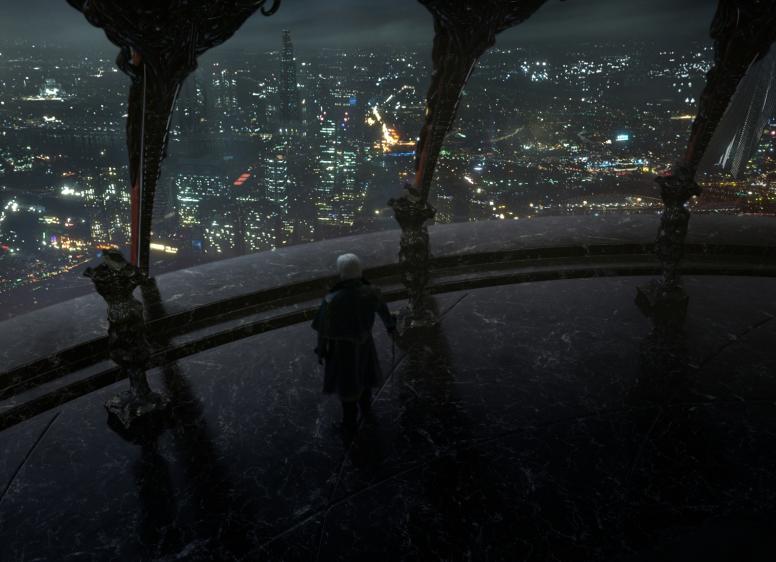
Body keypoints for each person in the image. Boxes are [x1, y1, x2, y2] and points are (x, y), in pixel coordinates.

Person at [312, 253, 397, 433]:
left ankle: (349, 422)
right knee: (365, 375)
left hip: (342, 349)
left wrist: (321, 349)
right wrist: (390, 326)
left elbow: (323, 329)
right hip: (365, 343)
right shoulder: (371, 292)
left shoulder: (332, 299)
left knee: (347, 383)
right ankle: (367, 410)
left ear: (341, 272)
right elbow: (383, 311)